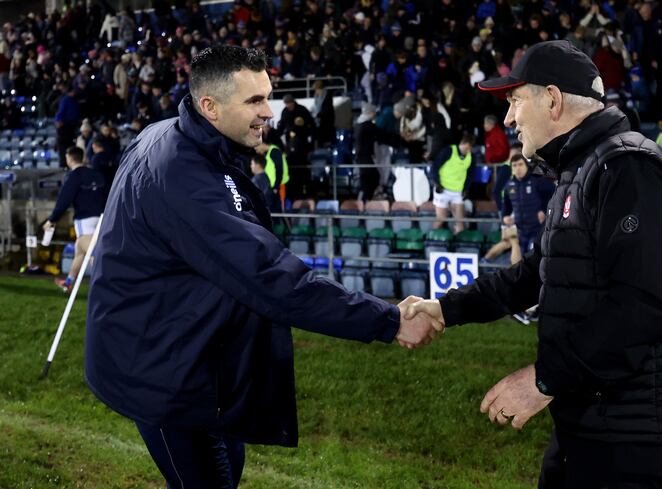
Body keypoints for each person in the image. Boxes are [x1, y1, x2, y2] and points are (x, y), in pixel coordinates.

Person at [84, 46, 442, 488]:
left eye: (267, 96)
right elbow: (272, 277)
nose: (268, 112)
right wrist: (388, 320)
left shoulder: (174, 137)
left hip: (186, 359)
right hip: (164, 377)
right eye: (254, 101)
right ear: (209, 106)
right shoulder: (181, 174)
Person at [405, 40, 662, 488]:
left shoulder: (629, 169)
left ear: (552, 99)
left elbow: (642, 307)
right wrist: (446, 308)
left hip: (636, 441)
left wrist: (542, 380)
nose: (508, 118)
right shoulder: (584, 169)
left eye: (514, 101)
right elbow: (533, 275)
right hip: (591, 427)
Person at [43, 146, 106, 292]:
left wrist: (52, 219)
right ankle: (69, 282)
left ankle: (106, 285)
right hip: (102, 217)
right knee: (80, 250)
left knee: (92, 252)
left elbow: (64, 200)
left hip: (85, 219)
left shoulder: (74, 176)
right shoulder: (96, 174)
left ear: (70, 158)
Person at [501, 153, 554, 263]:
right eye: (514, 165)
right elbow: (506, 204)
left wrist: (544, 211)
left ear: (526, 166)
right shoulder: (509, 185)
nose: (518, 168)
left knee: (534, 259)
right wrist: (505, 216)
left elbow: (553, 194)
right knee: (521, 261)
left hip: (537, 229)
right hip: (520, 230)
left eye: (520, 164)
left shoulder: (537, 181)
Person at [430, 134, 475, 234]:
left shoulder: (471, 157)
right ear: (463, 143)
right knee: (441, 218)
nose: (468, 151)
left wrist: (465, 189)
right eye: (467, 147)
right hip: (442, 189)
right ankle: (430, 238)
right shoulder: (448, 151)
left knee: (460, 222)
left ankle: (457, 245)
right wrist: (437, 183)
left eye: (470, 149)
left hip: (457, 192)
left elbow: (470, 174)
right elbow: (434, 167)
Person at [483, 114, 511, 210]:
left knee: (496, 190)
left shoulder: (498, 135)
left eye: (485, 123)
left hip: (499, 167)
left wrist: (493, 160)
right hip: (494, 167)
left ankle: (501, 212)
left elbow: (503, 151)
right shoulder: (491, 134)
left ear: (490, 123)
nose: (484, 126)